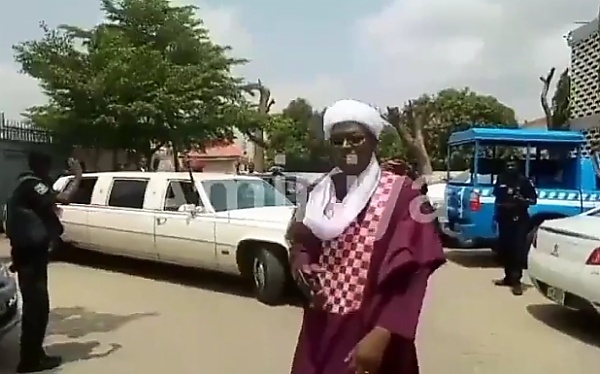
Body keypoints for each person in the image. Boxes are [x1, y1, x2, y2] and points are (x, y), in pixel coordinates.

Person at [287, 99, 446, 374]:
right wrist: (300, 263)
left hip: (370, 330)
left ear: (373, 142)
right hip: (321, 327)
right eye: (337, 141)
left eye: (355, 139)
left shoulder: (403, 194)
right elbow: (301, 242)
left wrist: (383, 333)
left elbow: (413, 273)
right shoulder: (317, 193)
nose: (346, 147)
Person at [5, 152, 82, 372]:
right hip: (29, 258)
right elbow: (63, 198)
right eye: (47, 166)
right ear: (40, 165)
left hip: (30, 255)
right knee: (36, 309)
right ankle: (29, 362)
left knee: (38, 308)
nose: (49, 170)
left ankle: (35, 354)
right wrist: (77, 176)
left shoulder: (28, 184)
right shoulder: (31, 184)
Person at [492, 157, 537, 296]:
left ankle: (517, 282)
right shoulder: (501, 179)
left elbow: (533, 200)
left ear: (518, 166)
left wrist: (521, 200)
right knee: (505, 250)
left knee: (517, 251)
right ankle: (508, 278)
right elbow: (496, 194)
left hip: (518, 220)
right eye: (507, 164)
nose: (510, 167)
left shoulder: (523, 181)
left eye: (513, 164)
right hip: (504, 219)